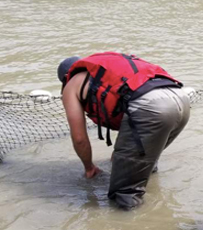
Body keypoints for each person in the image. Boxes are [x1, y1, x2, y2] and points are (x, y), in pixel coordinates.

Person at [58, 52, 190, 209]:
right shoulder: (105, 71)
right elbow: (126, 106)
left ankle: (135, 228)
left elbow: (79, 138)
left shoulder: (72, 85)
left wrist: (89, 168)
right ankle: (158, 209)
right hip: (180, 99)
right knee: (146, 162)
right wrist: (120, 155)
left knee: (124, 193)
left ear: (66, 76)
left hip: (150, 107)